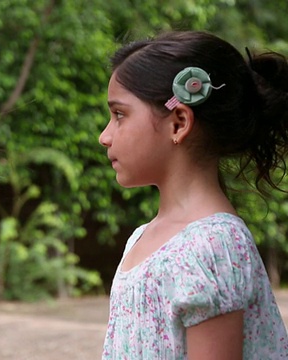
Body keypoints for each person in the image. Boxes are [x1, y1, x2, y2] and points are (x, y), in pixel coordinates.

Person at [98, 30, 288, 359]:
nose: (105, 136)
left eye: (119, 115)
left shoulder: (213, 246)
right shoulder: (141, 238)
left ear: (179, 122)